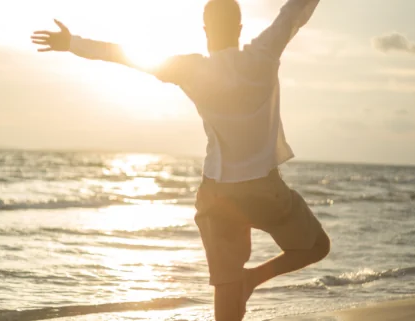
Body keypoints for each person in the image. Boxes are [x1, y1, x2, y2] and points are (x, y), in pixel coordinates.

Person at [31, 1, 330, 320]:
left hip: (217, 193)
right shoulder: (263, 53)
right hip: (263, 190)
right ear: (239, 29)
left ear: (205, 31)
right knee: (317, 246)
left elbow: (125, 55)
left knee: (226, 307)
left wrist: (72, 43)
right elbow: (293, 12)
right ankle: (253, 278)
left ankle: (242, 282)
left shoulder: (192, 68)